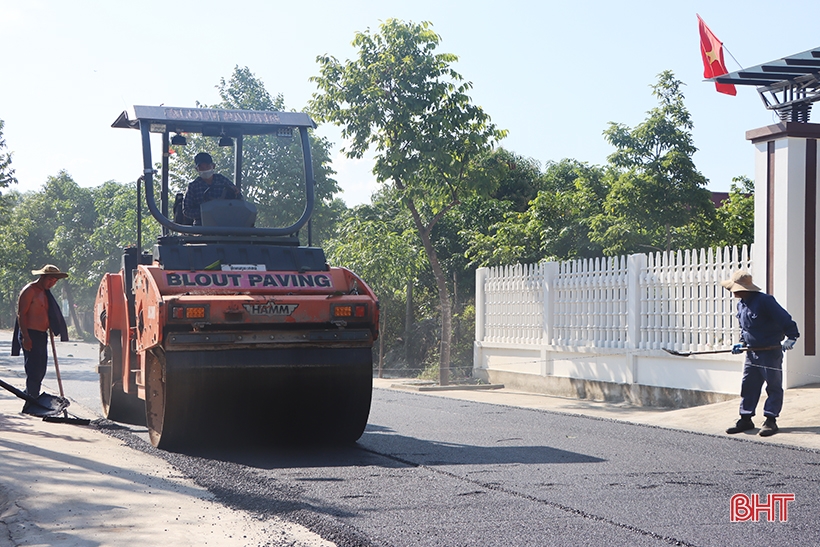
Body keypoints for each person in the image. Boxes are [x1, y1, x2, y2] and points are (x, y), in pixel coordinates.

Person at [721, 270, 799, 437]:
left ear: (744, 289)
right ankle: (745, 418)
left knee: (773, 385)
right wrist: (741, 343)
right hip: (751, 352)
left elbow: (785, 319)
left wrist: (791, 338)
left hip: (769, 351)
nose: (732, 292)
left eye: (734, 289)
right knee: (749, 384)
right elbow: (745, 328)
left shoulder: (765, 301)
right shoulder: (741, 304)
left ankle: (771, 420)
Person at [11, 265, 70, 409]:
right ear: (42, 277)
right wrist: (25, 337)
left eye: (55, 281)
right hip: (30, 333)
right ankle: (31, 400)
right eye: (50, 280)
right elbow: (21, 315)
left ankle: (31, 396)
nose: (52, 283)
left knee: (40, 369)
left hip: (41, 335)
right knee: (33, 370)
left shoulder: (46, 293)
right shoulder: (29, 291)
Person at [181, 152, 241, 225]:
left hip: (226, 223)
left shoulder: (222, 180)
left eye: (207, 166)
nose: (205, 169)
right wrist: (206, 212)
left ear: (213, 166)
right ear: (197, 169)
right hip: (201, 226)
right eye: (201, 168)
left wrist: (236, 193)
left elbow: (239, 199)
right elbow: (186, 210)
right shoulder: (193, 186)